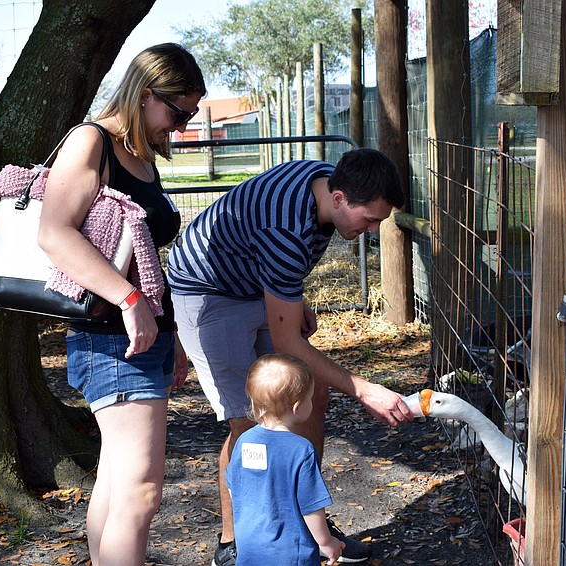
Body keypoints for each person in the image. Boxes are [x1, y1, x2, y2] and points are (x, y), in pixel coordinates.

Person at [167, 147, 416, 565]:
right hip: (208, 289)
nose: (374, 231)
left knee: (311, 393)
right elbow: (288, 343)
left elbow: (282, 270)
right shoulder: (286, 230)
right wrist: (365, 390)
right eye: (370, 219)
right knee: (251, 422)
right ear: (338, 199)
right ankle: (234, 543)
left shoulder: (326, 180)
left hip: (252, 277)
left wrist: (288, 295)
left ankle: (304, 519)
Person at [37, 43, 205, 566]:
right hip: (109, 337)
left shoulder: (140, 153)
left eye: (192, 115)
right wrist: (128, 298)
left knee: (116, 482)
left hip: (144, 334)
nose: (180, 126)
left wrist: (171, 334)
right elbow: (54, 233)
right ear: (146, 92)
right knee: (141, 492)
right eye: (178, 112)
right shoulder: (92, 142)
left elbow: (145, 257)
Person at [225, 354, 345, 566]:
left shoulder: (244, 442)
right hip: (290, 553)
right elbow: (311, 505)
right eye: (309, 398)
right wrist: (326, 542)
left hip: (249, 548)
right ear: (297, 407)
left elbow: (234, 488)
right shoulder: (300, 449)